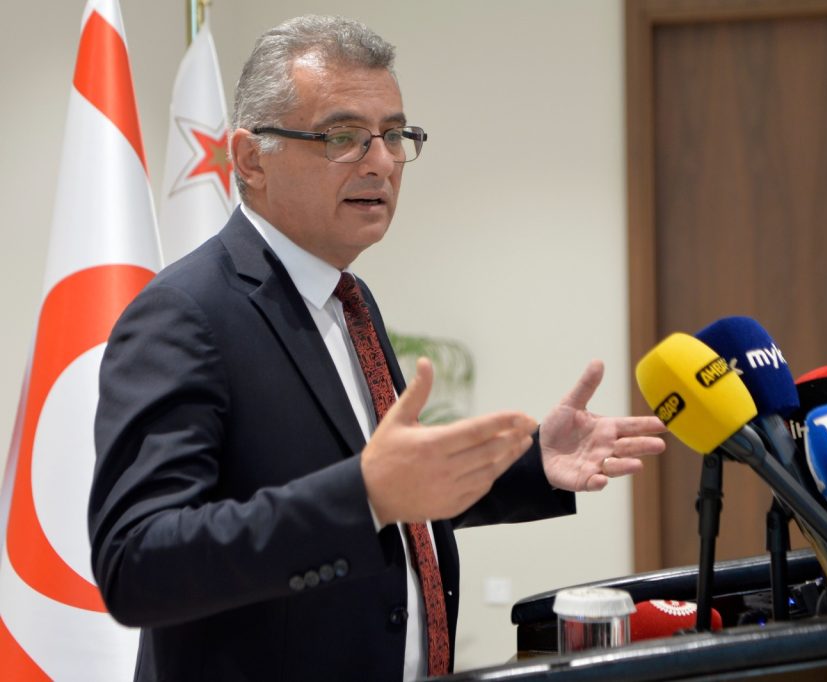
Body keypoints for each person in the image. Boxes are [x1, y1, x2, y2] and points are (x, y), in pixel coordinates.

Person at [88, 15, 665, 681]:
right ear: (250, 159)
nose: (383, 161)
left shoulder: (349, 298)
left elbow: (396, 489)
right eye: (343, 137)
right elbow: (138, 563)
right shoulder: (185, 314)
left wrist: (533, 463)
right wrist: (362, 497)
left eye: (394, 135)